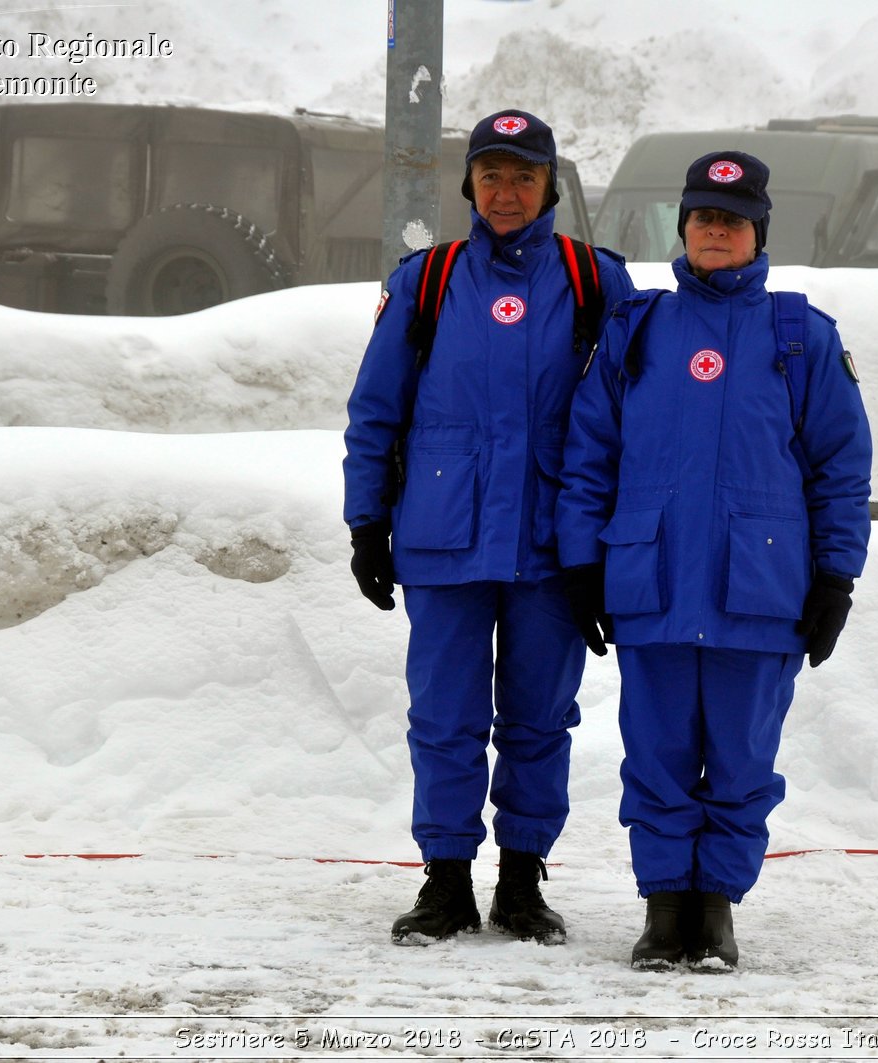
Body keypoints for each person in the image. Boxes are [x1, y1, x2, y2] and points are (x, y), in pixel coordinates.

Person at [557, 151, 871, 969]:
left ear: (757, 232)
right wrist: (583, 562)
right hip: (650, 583)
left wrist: (837, 575)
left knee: (739, 760)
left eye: (731, 220)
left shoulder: (802, 336)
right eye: (702, 218)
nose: (715, 231)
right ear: (684, 229)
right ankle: (666, 910)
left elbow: (841, 469)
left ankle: (716, 910)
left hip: (758, 593)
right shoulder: (639, 330)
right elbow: (589, 456)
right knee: (656, 754)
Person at [342, 109, 634, 946]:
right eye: (492, 174)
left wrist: (618, 541)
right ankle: (445, 882)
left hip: (553, 547)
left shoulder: (596, 281)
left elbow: (632, 416)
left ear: (551, 186)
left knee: (541, 718)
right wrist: (367, 520)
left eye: (525, 175)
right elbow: (375, 413)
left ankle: (519, 882)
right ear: (469, 183)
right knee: (445, 715)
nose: (507, 192)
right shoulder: (425, 283)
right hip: (443, 539)